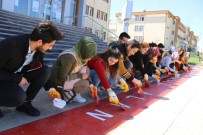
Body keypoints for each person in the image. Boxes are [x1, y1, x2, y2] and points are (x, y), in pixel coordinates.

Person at [0, 20, 64, 117]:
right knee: (18, 97)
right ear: (40, 42)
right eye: (50, 45)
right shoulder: (11, 46)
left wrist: (51, 90)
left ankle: (25, 103)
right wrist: (18, 79)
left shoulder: (38, 50)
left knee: (44, 70)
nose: (51, 49)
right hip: (3, 78)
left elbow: (39, 67)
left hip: (13, 75)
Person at [44, 36, 97, 103]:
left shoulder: (81, 55)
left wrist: (91, 84)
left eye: (91, 57)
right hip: (58, 81)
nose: (89, 59)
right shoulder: (69, 57)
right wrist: (80, 76)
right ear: (83, 51)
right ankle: (66, 94)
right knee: (85, 83)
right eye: (88, 56)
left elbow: (85, 72)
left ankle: (73, 92)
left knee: (87, 70)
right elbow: (62, 77)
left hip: (69, 76)